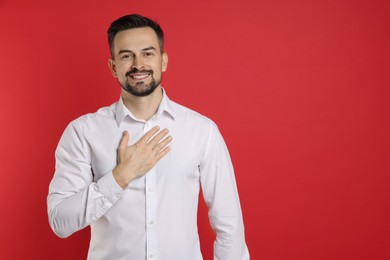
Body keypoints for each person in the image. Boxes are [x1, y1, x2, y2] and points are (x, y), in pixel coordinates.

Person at [47, 14, 250, 260]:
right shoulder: (83, 132)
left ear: (163, 61)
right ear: (113, 67)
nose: (137, 64)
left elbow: (229, 224)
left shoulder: (201, 131)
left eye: (147, 53)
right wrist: (121, 176)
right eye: (126, 55)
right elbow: (60, 221)